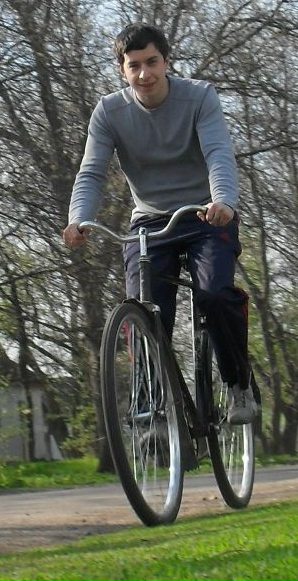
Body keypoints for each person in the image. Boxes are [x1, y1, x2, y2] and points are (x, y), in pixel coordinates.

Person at [63, 23, 258, 424]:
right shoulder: (109, 112)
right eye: (134, 66)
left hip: (206, 214)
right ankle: (149, 408)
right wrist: (78, 218)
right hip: (149, 223)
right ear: (122, 70)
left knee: (214, 295)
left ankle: (238, 383)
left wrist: (223, 200)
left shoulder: (199, 97)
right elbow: (92, 172)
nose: (144, 74)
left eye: (152, 62)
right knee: (145, 311)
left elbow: (218, 153)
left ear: (166, 61)